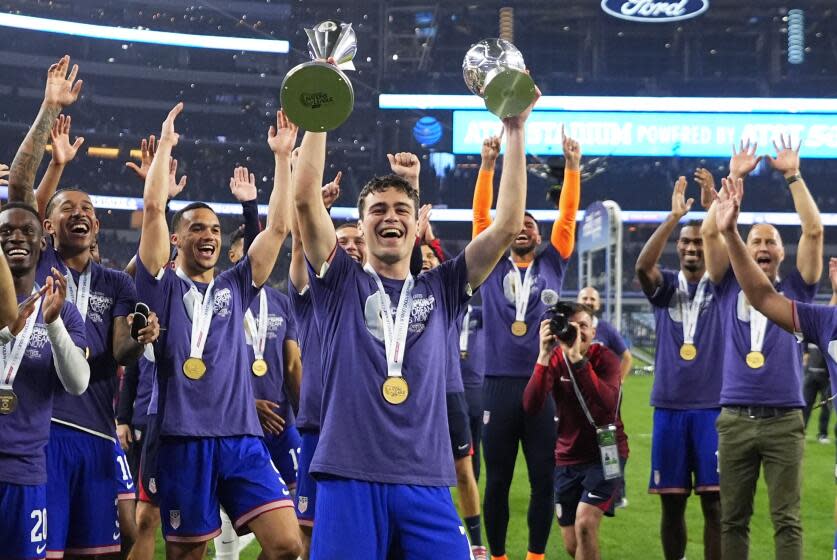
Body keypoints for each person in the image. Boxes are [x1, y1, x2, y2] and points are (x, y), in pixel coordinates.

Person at [293, 75, 539, 558]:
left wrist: (514, 129)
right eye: (378, 209)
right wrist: (319, 108)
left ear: (416, 222)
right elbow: (304, 200)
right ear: (362, 226)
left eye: (402, 208)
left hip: (426, 481)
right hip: (348, 475)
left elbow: (508, 222)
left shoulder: (443, 286)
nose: (391, 216)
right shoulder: (341, 281)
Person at [6, 55, 161, 558]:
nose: (82, 213)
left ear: (97, 229)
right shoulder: (36, 260)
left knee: (109, 544)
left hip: (94, 427)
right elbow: (19, 189)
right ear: (46, 227)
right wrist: (49, 108)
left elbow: (118, 353)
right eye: (68, 207)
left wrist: (136, 344)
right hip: (42, 431)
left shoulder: (116, 281)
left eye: (89, 210)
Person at [134, 103, 301, 558]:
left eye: (214, 228)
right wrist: (166, 144)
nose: (208, 235)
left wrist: (283, 158)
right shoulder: (160, 284)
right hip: (182, 438)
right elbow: (152, 209)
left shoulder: (235, 284)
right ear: (176, 239)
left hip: (242, 437)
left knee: (288, 544)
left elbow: (280, 228)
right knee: (188, 553)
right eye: (196, 228)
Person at [702, 137, 822, 560]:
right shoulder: (725, 284)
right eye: (756, 241)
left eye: (771, 242)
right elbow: (714, 234)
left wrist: (793, 175)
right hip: (734, 418)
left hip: (785, 419)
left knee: (786, 520)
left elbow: (813, 230)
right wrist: (733, 179)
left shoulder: (796, 291)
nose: (764, 247)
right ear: (746, 250)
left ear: (781, 253)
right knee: (732, 519)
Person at [474, 127, 581, 560]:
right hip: (497, 386)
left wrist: (572, 169)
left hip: (544, 386)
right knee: (496, 480)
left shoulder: (555, 261)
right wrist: (487, 166)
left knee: (544, 477)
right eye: (515, 223)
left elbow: (567, 216)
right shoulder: (491, 261)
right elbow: (483, 218)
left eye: (531, 225)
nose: (522, 227)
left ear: (540, 237)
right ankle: (498, 556)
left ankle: (535, 556)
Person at [634, 174, 724, 560]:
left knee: (715, 505)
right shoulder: (665, 287)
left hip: (713, 409)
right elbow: (642, 266)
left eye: (699, 241)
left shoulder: (723, 285)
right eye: (685, 242)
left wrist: (712, 214)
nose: (691, 247)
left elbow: (725, 244)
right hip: (669, 408)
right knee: (671, 505)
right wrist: (674, 218)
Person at [0, 202, 90, 559]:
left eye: (27, 231)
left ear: (43, 244)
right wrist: (5, 335)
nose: (16, 238)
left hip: (25, 471)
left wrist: (52, 326)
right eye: (5, 232)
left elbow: (78, 383)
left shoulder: (62, 310)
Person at [522, 302, 628, 560]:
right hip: (567, 457)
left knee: (585, 524)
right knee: (573, 544)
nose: (578, 331)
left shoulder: (606, 360)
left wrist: (578, 361)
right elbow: (531, 405)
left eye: (583, 326)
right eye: (572, 326)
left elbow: (607, 405)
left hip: (607, 452)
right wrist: (543, 356)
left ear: (593, 332)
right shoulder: (556, 359)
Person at [419, 221, 486, 560]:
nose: (428, 260)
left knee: (463, 469)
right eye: (423, 256)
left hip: (449, 390)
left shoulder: (446, 292)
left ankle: (476, 542)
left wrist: (431, 240)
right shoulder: (405, 292)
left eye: (433, 256)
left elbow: (453, 264)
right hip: (415, 394)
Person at [577, 287, 632, 380]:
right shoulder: (568, 326)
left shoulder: (607, 329)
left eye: (592, 299)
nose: (588, 302)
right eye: (585, 298)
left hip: (599, 389)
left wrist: (618, 383)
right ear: (578, 302)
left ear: (598, 305)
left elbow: (627, 358)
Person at [802, 343, 832, 443]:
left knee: (826, 406)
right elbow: (805, 354)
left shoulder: (830, 335)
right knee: (806, 405)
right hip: (810, 376)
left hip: (826, 377)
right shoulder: (808, 336)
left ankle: (823, 435)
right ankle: (801, 432)